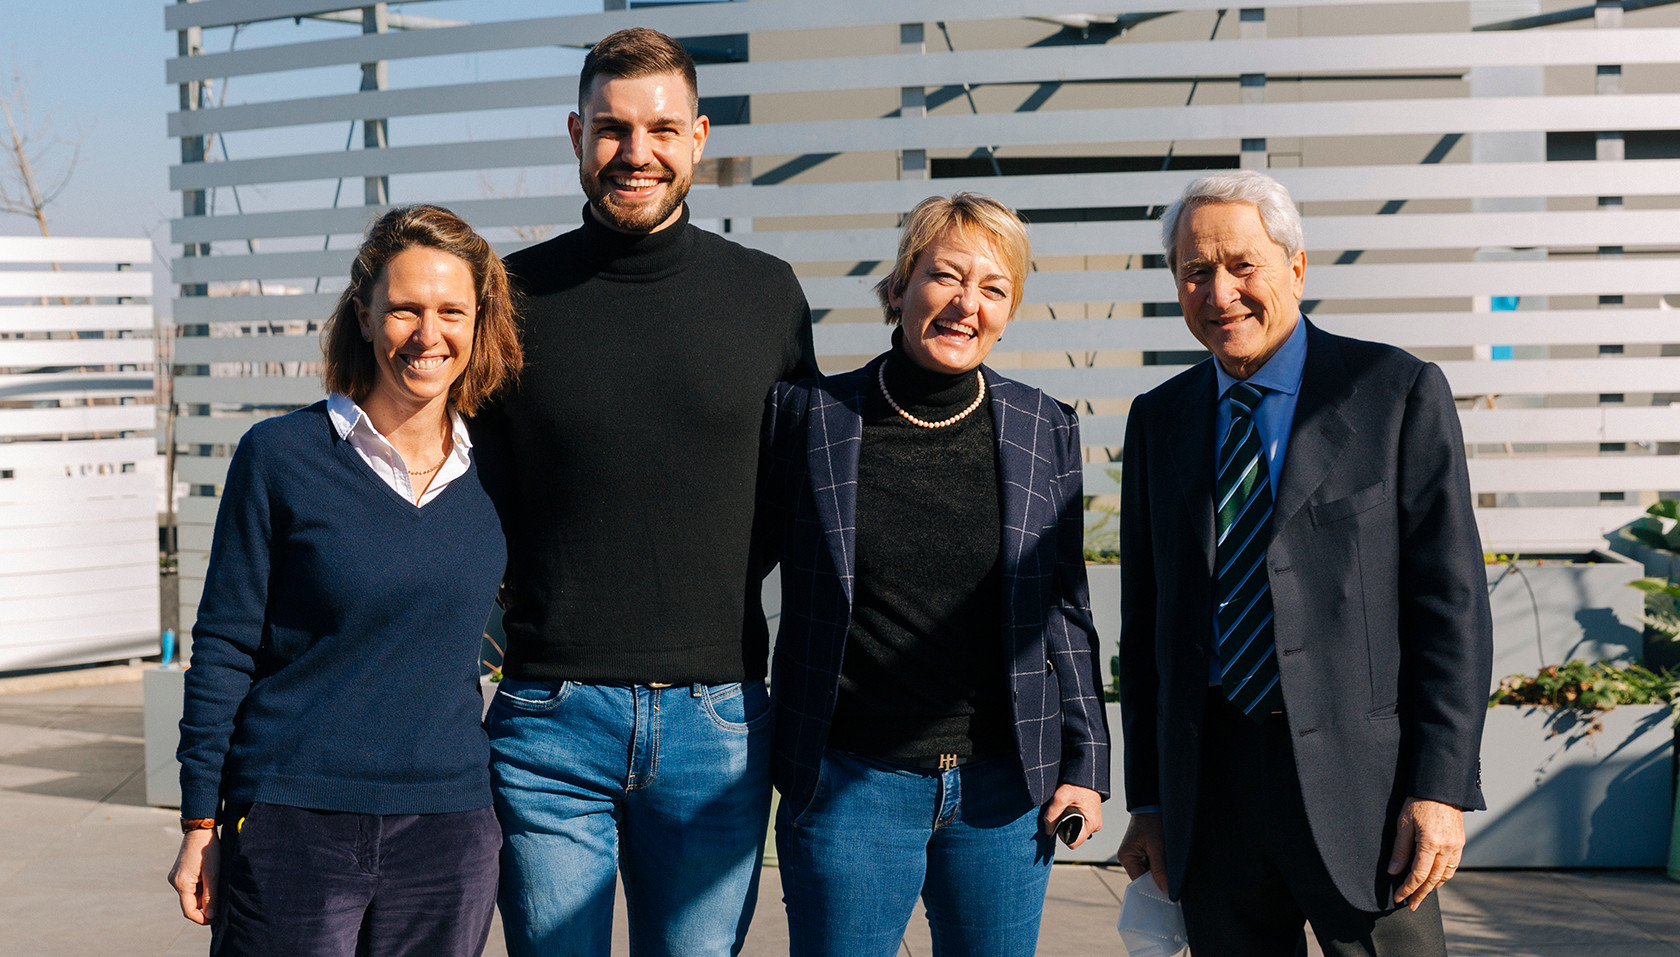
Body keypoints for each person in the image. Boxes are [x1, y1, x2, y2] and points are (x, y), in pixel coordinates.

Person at [473, 26, 816, 957]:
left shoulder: (768, 296)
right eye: (612, 129)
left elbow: (802, 493)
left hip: (719, 723)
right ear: (575, 133)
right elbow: (471, 489)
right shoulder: (508, 295)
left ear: (699, 136)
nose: (636, 153)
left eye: (661, 128)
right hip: (547, 720)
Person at [1114, 169, 1493, 956]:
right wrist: (1149, 800)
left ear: (1296, 266)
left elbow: (1450, 607)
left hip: (1370, 795)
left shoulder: (1395, 392)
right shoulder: (1160, 420)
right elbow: (1146, 623)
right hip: (1213, 792)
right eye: (1196, 272)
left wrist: (1439, 788)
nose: (1219, 292)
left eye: (1241, 264)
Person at [167, 204, 523, 957]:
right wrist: (201, 818)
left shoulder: (501, 470)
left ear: (478, 321)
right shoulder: (279, 456)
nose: (428, 335)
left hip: (449, 833)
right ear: (364, 316)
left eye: (451, 311)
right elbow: (225, 645)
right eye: (404, 309)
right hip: (292, 822)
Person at [762, 192, 1109, 957]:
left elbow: (1066, 611)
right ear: (898, 287)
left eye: (993, 288)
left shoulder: (1042, 424)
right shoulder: (812, 417)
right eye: (945, 276)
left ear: (1009, 309)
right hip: (852, 783)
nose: (966, 305)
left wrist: (1086, 762)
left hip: (1002, 791)